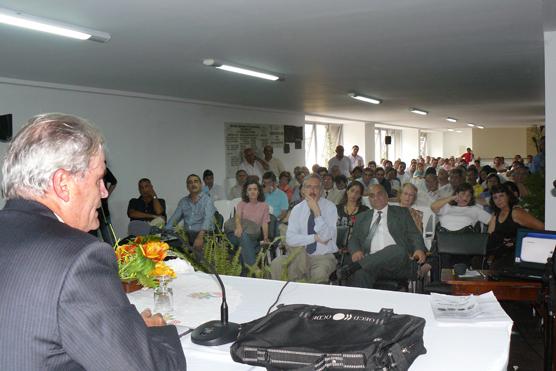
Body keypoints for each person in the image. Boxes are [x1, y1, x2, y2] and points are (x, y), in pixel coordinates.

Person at [0, 113, 186, 370]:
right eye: (99, 179)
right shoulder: (78, 258)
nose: (104, 192)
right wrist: (155, 333)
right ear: (63, 184)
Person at [343, 185, 426, 289]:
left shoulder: (402, 213)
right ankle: (362, 305)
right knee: (360, 274)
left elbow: (414, 234)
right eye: (372, 196)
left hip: (396, 264)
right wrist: (356, 251)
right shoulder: (362, 217)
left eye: (379, 194)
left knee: (397, 249)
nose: (376, 198)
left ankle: (356, 266)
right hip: (371, 264)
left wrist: (418, 249)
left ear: (387, 196)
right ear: (369, 200)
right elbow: (354, 239)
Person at [270, 174, 338, 283]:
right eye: (308, 187)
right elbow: (291, 239)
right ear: (302, 190)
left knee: (319, 274)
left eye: (316, 187)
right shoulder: (297, 209)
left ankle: (313, 300)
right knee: (276, 264)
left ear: (321, 190)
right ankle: (287, 299)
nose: (312, 190)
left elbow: (325, 237)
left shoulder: (330, 207)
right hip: (298, 255)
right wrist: (314, 237)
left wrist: (316, 212)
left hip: (322, 257)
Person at [487, 184, 544, 269]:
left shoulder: (516, 212)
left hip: (520, 252)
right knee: (478, 261)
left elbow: (542, 228)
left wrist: (516, 241)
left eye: (501, 196)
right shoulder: (496, 215)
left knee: (497, 267)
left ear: (508, 196)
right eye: (495, 197)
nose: (498, 200)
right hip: (502, 253)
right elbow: (489, 239)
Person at [166, 174, 216, 249]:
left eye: (195, 181)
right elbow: (174, 219)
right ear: (187, 187)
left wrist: (200, 237)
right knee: (168, 246)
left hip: (205, 235)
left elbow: (208, 220)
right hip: (188, 235)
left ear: (200, 184)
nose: (193, 184)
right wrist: (164, 232)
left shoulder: (207, 200)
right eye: (190, 182)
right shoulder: (183, 202)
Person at [228, 178, 270, 268]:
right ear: (246, 192)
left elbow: (264, 223)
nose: (252, 192)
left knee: (245, 241)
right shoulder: (241, 204)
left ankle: (249, 270)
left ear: (259, 191)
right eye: (250, 189)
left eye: (255, 189)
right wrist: (239, 227)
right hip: (237, 233)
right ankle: (253, 269)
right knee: (244, 237)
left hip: (254, 234)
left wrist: (266, 237)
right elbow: (237, 217)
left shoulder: (264, 206)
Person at [93, 163, 118, 246]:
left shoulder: (104, 169)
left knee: (109, 238)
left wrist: (107, 196)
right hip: (91, 211)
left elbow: (114, 182)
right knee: (93, 237)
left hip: (103, 209)